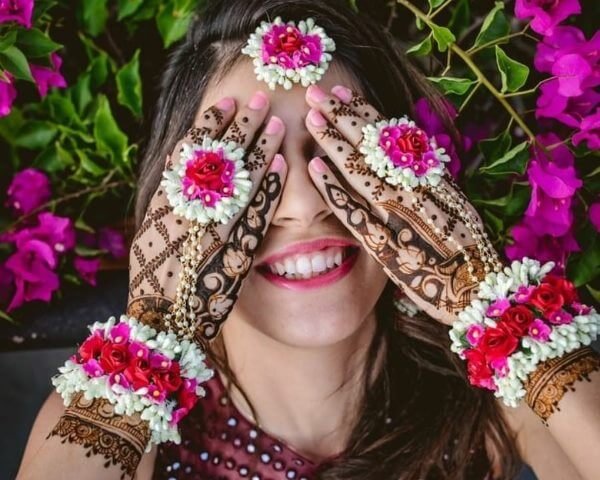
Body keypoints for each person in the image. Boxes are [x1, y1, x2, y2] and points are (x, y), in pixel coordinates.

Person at [16, 0, 600, 479]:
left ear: (423, 186)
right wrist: (155, 336)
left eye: (341, 159)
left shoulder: (497, 399)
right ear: (169, 211)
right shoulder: (111, 428)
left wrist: (489, 302)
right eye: (248, 168)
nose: (301, 206)